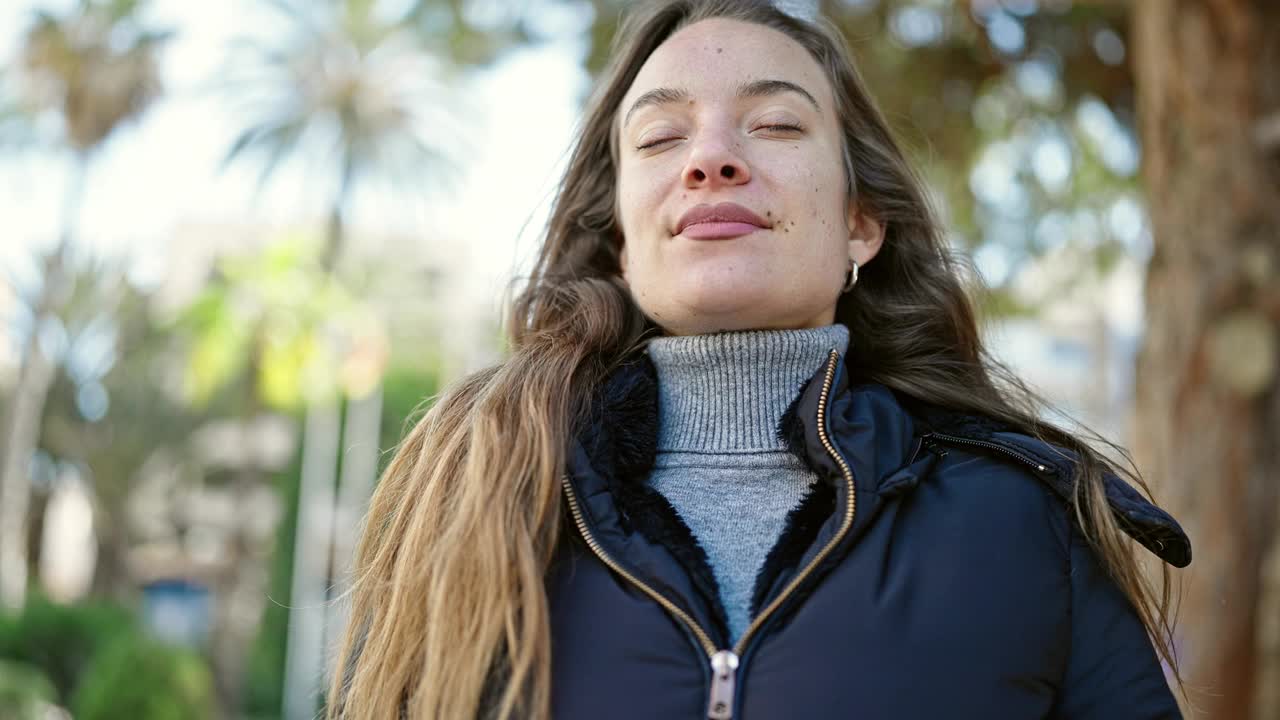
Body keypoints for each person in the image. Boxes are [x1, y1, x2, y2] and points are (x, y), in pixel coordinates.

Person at [328, 1, 1191, 718]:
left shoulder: (1024, 522)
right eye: (661, 139)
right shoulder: (469, 488)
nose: (710, 158)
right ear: (621, 241)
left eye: (776, 123)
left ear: (862, 222)